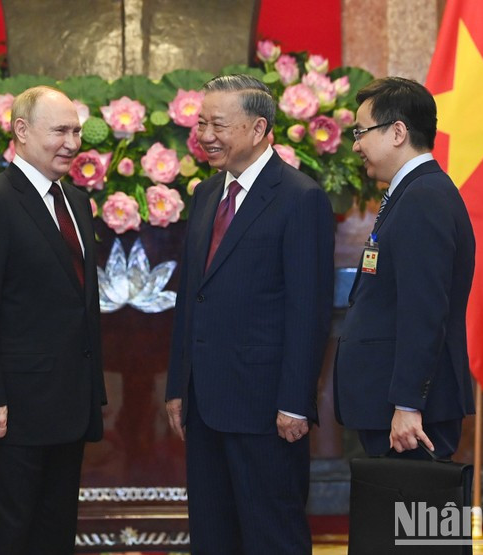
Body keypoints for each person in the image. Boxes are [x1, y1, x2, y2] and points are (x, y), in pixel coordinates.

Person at [165, 74, 335, 554]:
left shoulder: (300, 198)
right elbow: (191, 298)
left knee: (270, 535)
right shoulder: (205, 195)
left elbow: (310, 309)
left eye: (218, 124)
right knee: (213, 536)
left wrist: (295, 401)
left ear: (259, 128)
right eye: (200, 124)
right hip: (204, 404)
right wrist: (179, 385)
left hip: (266, 408)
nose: (205, 135)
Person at [0, 85, 106, 554]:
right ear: (21, 130)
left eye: (77, 131)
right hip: (12, 413)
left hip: (68, 408)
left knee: (54, 536)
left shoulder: (76, 202)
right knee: (7, 537)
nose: (73, 143)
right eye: (60, 130)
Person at [334, 77, 476, 459]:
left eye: (361, 131)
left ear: (398, 132)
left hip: (410, 416)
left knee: (410, 517)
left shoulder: (423, 197)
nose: (356, 145)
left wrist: (409, 403)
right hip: (394, 406)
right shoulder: (413, 191)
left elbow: (425, 309)